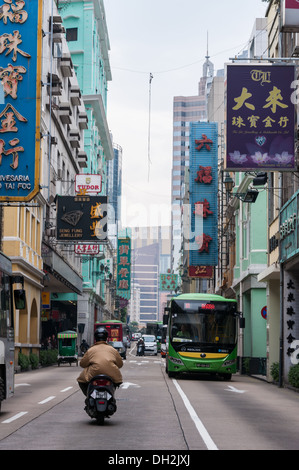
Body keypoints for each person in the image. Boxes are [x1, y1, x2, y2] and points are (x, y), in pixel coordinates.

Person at [77, 327, 123, 396]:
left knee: (81, 380)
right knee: (116, 383)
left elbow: (82, 364)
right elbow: (120, 364)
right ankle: (111, 396)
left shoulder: (90, 350)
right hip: (112, 374)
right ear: (106, 338)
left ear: (95, 338)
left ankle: (88, 396)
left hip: (93, 374)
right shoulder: (113, 350)